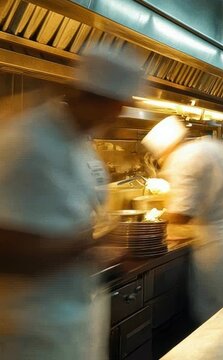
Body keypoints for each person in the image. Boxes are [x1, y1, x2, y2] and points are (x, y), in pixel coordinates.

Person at [0, 46, 145, 359]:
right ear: (102, 100)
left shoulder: (78, 144)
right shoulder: (29, 142)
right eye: (120, 106)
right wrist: (94, 242)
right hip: (32, 329)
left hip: (72, 314)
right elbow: (9, 253)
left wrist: (102, 250)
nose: (120, 115)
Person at [142, 116, 223, 323]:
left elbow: (182, 214)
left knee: (216, 315)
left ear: (164, 149)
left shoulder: (181, 160)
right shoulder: (214, 145)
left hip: (218, 245)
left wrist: (160, 221)